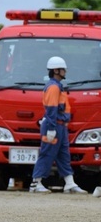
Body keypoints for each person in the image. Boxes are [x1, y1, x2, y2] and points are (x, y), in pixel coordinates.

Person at [29, 56, 87, 194]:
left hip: (60, 126)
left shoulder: (57, 86)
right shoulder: (54, 87)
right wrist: (51, 128)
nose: (65, 71)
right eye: (63, 69)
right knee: (47, 153)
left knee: (63, 155)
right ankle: (35, 183)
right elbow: (51, 110)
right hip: (54, 126)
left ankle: (69, 183)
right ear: (56, 70)